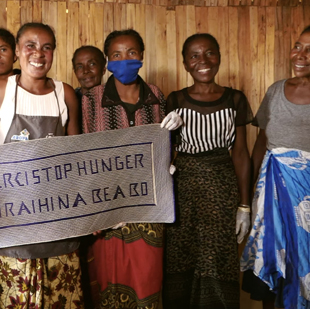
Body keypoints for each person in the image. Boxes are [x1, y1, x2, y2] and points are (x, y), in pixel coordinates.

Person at [241, 22, 310, 309]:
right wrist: (250, 199)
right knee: (272, 268)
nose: (300, 55)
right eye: (298, 46)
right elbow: (261, 144)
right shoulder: (276, 91)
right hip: (271, 194)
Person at [81, 29, 182, 309]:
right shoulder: (91, 99)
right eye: (116, 55)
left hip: (149, 207)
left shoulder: (157, 97)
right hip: (107, 209)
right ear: (107, 61)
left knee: (147, 280)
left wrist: (172, 149)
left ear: (142, 56)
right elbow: (84, 155)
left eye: (132, 53)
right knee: (106, 281)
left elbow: (165, 148)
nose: (124, 60)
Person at [0, 22, 82, 308]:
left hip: (58, 218)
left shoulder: (64, 94)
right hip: (14, 216)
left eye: (47, 47)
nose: (38, 53)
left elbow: (76, 154)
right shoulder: (2, 90)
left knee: (60, 297)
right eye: (30, 45)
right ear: (17, 51)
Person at [162, 33, 253, 309]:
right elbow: (164, 153)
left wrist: (244, 206)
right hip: (184, 188)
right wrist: (167, 134)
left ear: (219, 57)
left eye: (210, 53)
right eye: (194, 56)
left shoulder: (234, 99)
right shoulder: (175, 99)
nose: (203, 61)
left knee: (218, 256)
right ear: (185, 64)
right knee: (181, 254)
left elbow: (240, 154)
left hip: (221, 186)